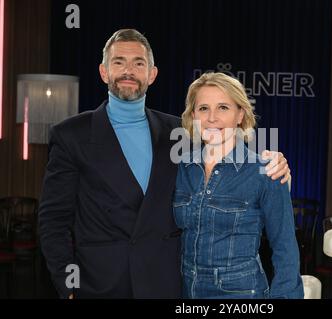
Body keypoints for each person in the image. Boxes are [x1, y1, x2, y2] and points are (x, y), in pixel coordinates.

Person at [38, 29, 291, 299]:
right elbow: (53, 221)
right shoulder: (71, 134)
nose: (128, 71)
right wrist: (69, 286)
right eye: (119, 62)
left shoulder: (177, 133)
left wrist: (274, 161)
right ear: (103, 72)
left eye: (138, 63)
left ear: (152, 74)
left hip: (166, 284)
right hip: (99, 285)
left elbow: (225, 154)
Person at [174, 72, 304, 299]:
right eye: (203, 108)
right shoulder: (181, 168)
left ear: (240, 114)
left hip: (240, 294)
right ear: (193, 115)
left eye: (223, 107)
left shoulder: (266, 170)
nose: (212, 117)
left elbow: (285, 249)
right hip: (185, 291)